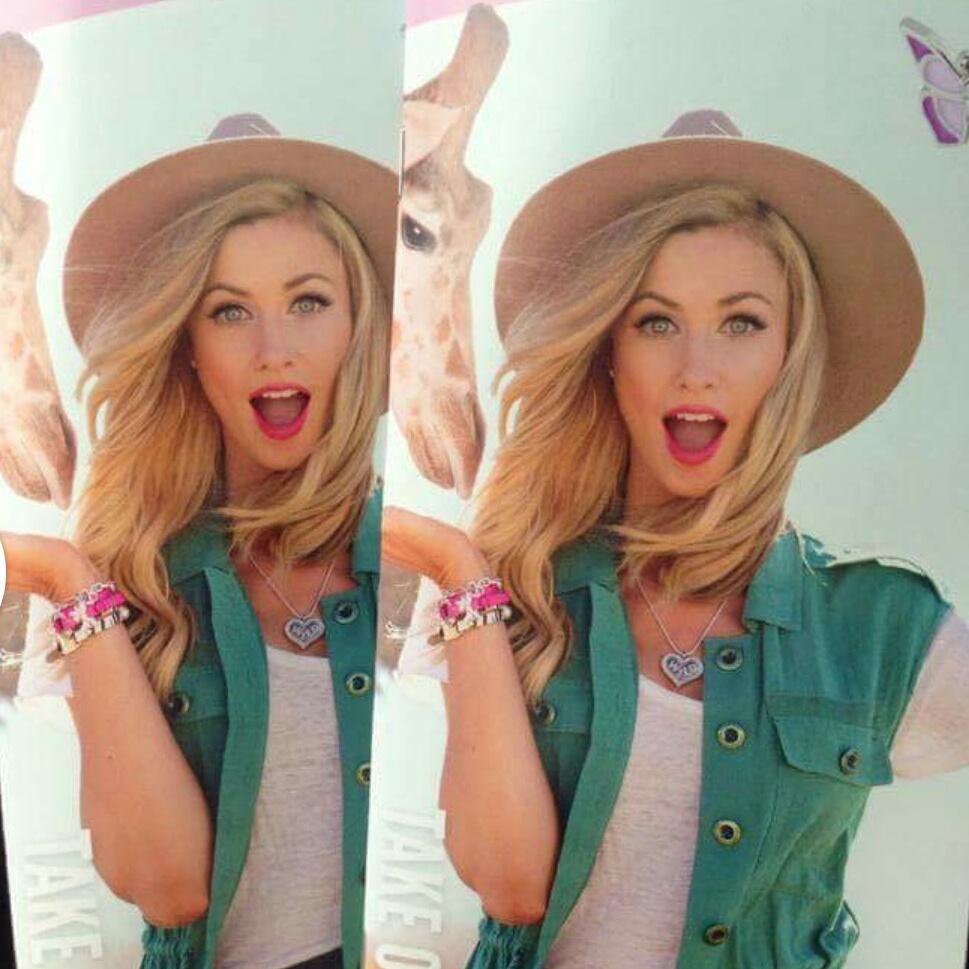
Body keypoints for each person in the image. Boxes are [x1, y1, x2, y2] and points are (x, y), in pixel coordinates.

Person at [383, 125, 969, 969]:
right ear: (608, 353)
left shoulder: (884, 627)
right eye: (657, 322)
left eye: (741, 323)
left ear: (788, 358)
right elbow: (508, 889)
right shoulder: (505, 586)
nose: (697, 366)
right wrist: (461, 569)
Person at [2, 118, 395, 969]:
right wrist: (69, 582)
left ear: (358, 325)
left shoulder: (420, 564)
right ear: (186, 344)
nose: (273, 349)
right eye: (229, 311)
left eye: (308, 301)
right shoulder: (117, 565)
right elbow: (164, 886)